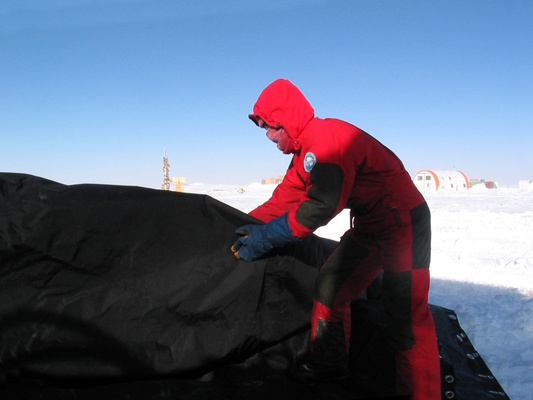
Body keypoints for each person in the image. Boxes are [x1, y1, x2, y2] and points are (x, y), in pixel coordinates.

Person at [231, 78, 441, 399]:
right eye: (264, 129)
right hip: (370, 223)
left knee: (406, 317)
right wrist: (242, 224)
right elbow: (284, 199)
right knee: (331, 284)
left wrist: (267, 237)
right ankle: (329, 361)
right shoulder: (304, 153)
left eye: (271, 127)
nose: (269, 136)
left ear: (287, 120)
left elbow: (322, 206)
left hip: (403, 223)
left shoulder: (327, 141)